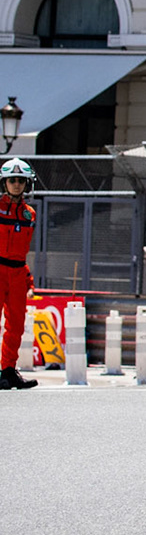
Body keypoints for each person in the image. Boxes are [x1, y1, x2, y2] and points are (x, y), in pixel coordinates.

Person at [1, 158, 38, 390]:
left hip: (17, 273)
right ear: (4, 183)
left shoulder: (29, 214)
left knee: (16, 325)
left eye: (20, 181)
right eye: (12, 180)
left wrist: (29, 281)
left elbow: (25, 252)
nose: (16, 184)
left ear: (27, 184)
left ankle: (7, 371)